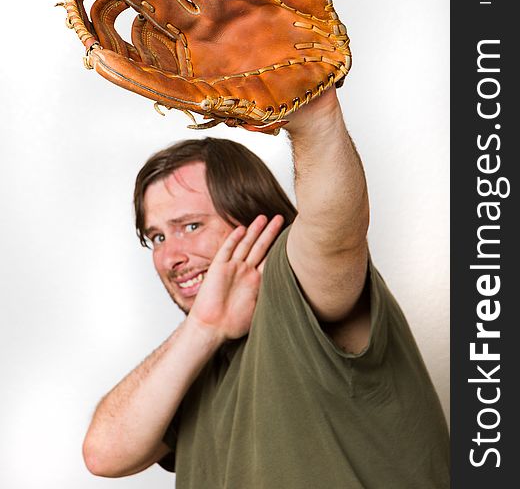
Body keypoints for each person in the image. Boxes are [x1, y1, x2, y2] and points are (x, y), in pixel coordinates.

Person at [82, 88, 450, 488]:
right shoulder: (198, 353)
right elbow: (103, 454)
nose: (172, 256)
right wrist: (204, 328)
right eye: (157, 237)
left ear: (253, 218)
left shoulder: (291, 281)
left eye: (191, 226)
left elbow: (336, 232)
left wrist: (315, 117)